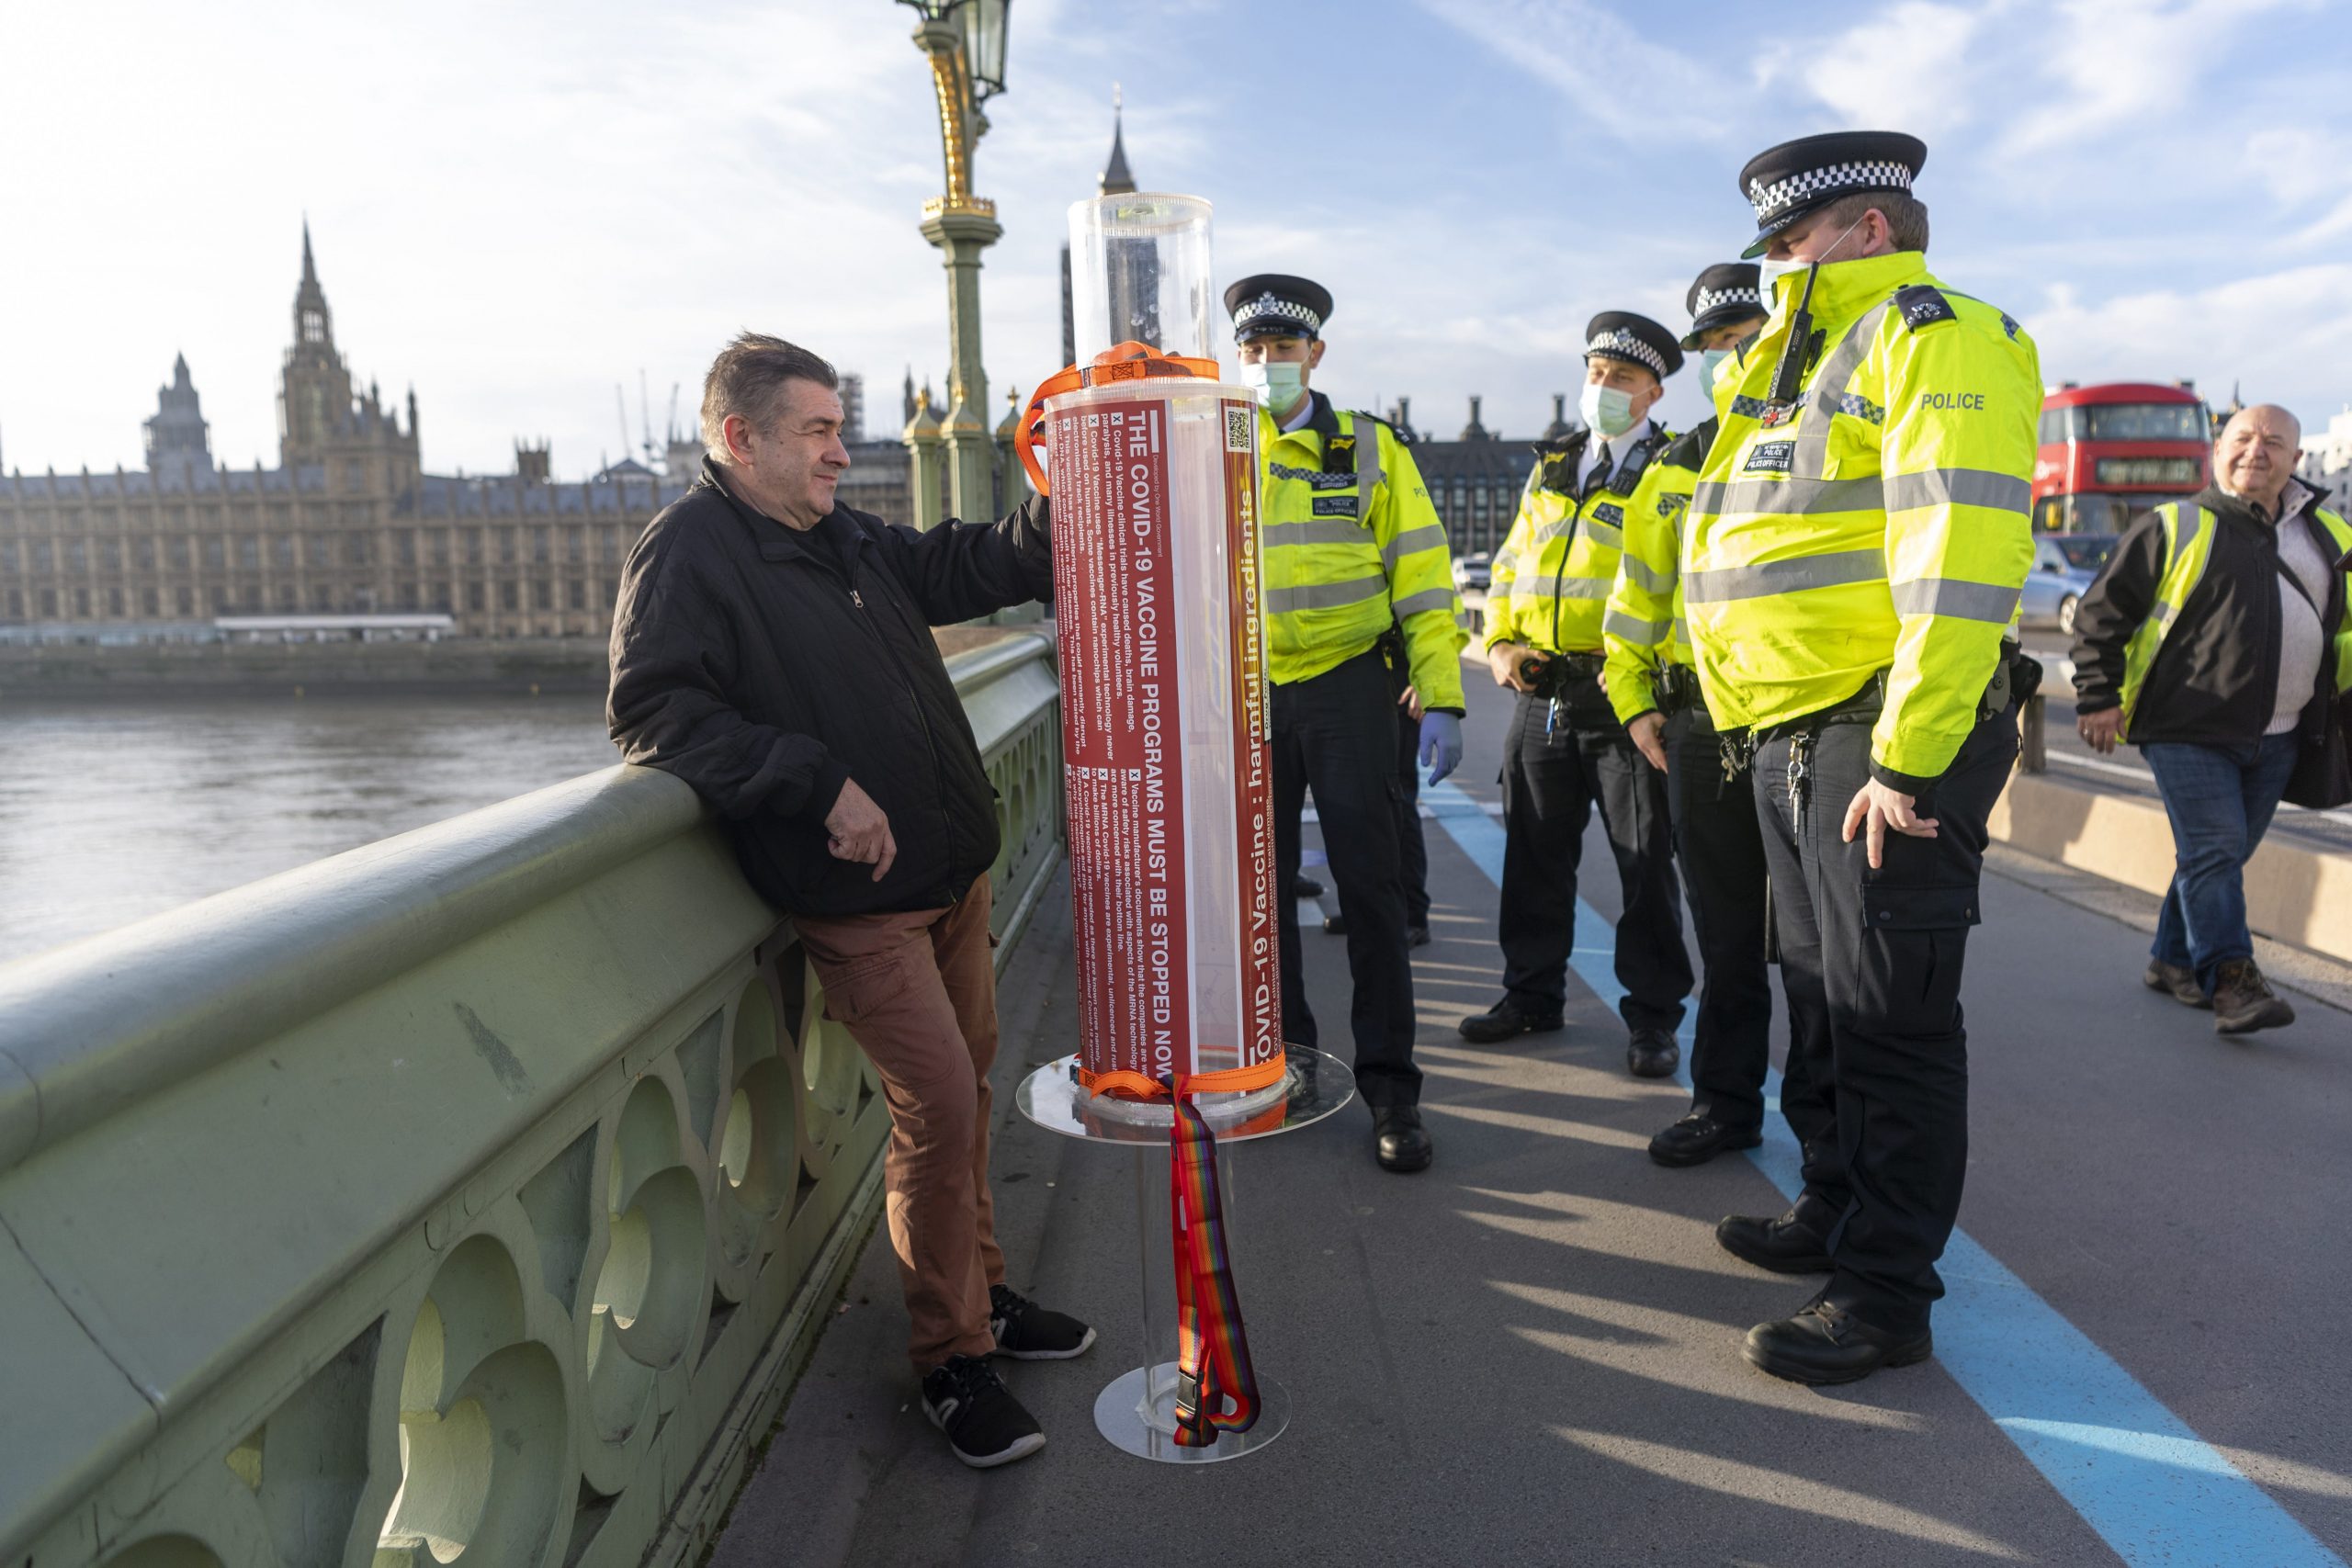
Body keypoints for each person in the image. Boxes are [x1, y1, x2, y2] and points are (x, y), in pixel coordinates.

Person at [606, 333, 1090, 1470]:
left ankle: (989, 1298)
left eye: (838, 426)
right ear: (741, 438)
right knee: (937, 1106)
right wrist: (814, 781)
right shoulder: (689, 554)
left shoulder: (845, 534)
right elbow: (653, 716)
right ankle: (950, 1362)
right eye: (817, 431)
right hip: (858, 895)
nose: (842, 450)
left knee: (964, 1090)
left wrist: (1060, 500)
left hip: (950, 869)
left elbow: (964, 569)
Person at [1683, 132, 2041, 1384]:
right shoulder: (1798, 362)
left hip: (1881, 727)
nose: (1775, 266)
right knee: (1822, 996)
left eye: (1790, 242)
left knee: (1890, 1013)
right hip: (1795, 731)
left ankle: (1887, 1291)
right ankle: (1833, 1206)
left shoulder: (1935, 333)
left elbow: (1961, 556)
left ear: (1868, 229)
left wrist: (1911, 754)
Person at [1227, 273, 1464, 1173]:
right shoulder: (1212, 447)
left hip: (1348, 686)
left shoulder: (1367, 447)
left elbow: (1422, 573)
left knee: (1370, 893)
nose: (1265, 364)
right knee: (1261, 894)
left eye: (1281, 349)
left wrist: (1439, 690)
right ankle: (1286, 1065)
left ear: (1314, 354)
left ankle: (1392, 1091)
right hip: (1247, 693)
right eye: (1251, 350)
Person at [1602, 263, 1799, 1167]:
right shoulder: (1676, 463)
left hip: (1804, 719)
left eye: (1742, 339)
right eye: (1715, 347)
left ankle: (1831, 1137)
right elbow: (1636, 597)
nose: (1729, 360)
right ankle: (1725, 1106)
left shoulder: (1825, 433)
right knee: (1724, 936)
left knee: (1812, 945)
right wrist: (1636, 701)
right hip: (1695, 723)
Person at [1464, 312, 1693, 1080]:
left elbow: (1679, 588)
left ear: (1654, 391)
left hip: (1621, 692)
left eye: (1622, 377)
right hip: (1541, 689)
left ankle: (1654, 1019)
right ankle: (1531, 994)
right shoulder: (1552, 464)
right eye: (1595, 372)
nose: (1603, 387)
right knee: (1532, 855)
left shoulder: (1672, 469)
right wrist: (1498, 642)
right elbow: (1508, 566)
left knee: (1644, 864)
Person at [2071, 404, 2352, 1032]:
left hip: (2281, 735)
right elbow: (2100, 615)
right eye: (2244, 438)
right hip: (2185, 728)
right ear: (2217, 451)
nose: (2259, 450)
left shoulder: (2330, 535)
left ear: (2296, 461)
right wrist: (2096, 696)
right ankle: (2233, 980)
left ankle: (2172, 960)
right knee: (2216, 847)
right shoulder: (2175, 524)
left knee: (2214, 856)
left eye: (2275, 442)